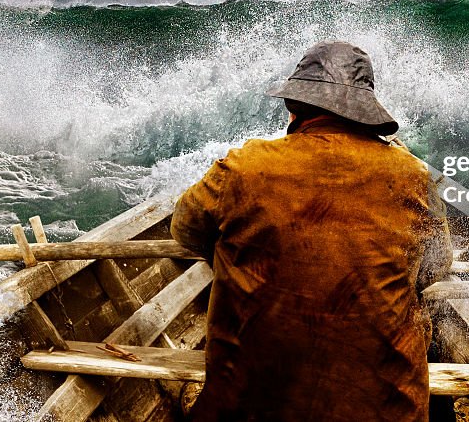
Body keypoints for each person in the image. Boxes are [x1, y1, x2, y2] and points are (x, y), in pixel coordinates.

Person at [171, 40, 451, 422]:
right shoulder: (413, 175)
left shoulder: (243, 167)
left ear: (294, 106)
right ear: (363, 112)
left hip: (247, 408)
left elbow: (185, 230)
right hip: (386, 411)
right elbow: (436, 267)